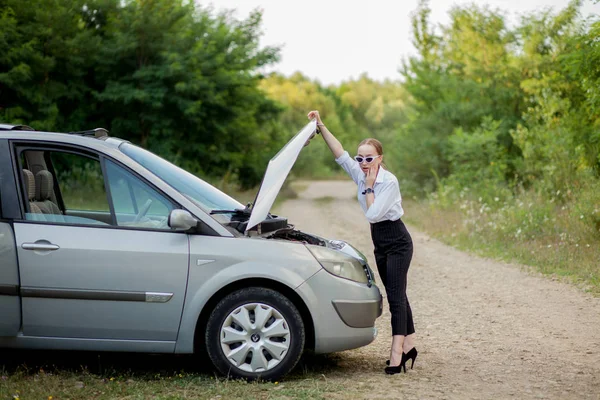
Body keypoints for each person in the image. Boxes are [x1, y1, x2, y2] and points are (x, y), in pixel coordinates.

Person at [307, 110, 417, 375]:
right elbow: (339, 153)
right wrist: (321, 125)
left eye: (369, 158)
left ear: (380, 158)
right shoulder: (359, 171)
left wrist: (368, 186)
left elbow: (373, 214)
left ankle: (396, 354)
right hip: (380, 243)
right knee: (397, 293)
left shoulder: (389, 182)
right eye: (360, 158)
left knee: (395, 297)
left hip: (398, 241)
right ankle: (410, 346)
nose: (363, 163)